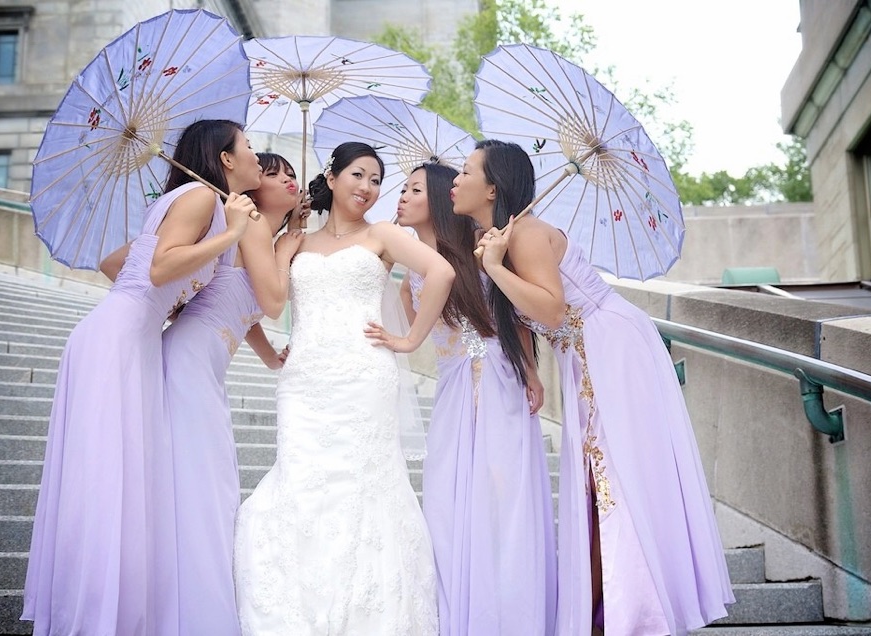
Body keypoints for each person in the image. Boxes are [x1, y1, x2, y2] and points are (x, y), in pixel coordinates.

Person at [455, 139, 734, 636]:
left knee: (609, 475)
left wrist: (494, 268)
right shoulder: (503, 238)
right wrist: (531, 367)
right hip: (586, 355)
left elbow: (552, 309)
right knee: (596, 479)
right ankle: (604, 614)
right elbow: (523, 316)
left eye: (465, 170)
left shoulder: (525, 236)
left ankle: (629, 617)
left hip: (611, 346)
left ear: (492, 187)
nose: (455, 180)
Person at [22, 119, 261, 635]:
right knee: (108, 477)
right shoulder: (201, 198)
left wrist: (161, 306)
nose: (254, 155)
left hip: (126, 335)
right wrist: (233, 234)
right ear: (224, 158)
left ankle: (103, 612)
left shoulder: (198, 202)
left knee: (114, 475)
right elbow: (157, 269)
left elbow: (118, 263)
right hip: (117, 341)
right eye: (247, 146)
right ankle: (94, 617)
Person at [233, 142, 454, 634]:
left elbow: (441, 271)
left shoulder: (383, 234)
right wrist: (284, 235)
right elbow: (267, 305)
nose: (368, 188)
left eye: (377, 180)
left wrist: (409, 340)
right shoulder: (295, 242)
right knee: (302, 483)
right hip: (304, 381)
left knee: (362, 489)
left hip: (363, 376)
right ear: (331, 178)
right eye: (358, 175)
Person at [396, 162, 557, 635]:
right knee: (446, 505)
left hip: (493, 384)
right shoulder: (412, 272)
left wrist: (529, 371)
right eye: (402, 188)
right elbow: (422, 334)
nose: (402, 196)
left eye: (415, 189)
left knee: (500, 501)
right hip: (452, 390)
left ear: (443, 197)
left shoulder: (477, 250)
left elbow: (511, 318)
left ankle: (506, 618)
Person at [159, 152, 305, 635]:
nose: (288, 178)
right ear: (253, 185)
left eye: (292, 173)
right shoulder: (255, 225)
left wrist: (267, 356)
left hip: (203, 361)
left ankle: (184, 593)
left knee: (205, 480)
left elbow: (240, 305)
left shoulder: (258, 229)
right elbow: (273, 302)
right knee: (209, 482)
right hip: (190, 359)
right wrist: (286, 251)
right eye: (274, 172)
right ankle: (194, 604)